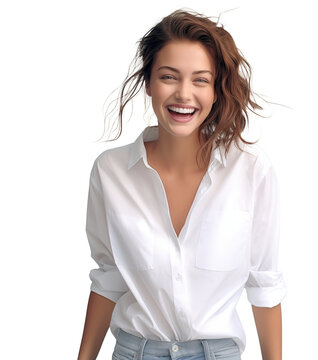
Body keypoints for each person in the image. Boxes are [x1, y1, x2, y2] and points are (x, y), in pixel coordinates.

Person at [78, 9, 287, 360]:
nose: (183, 94)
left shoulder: (251, 171)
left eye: (200, 80)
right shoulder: (109, 172)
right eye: (169, 77)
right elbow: (108, 278)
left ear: (217, 89)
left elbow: (264, 286)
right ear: (148, 82)